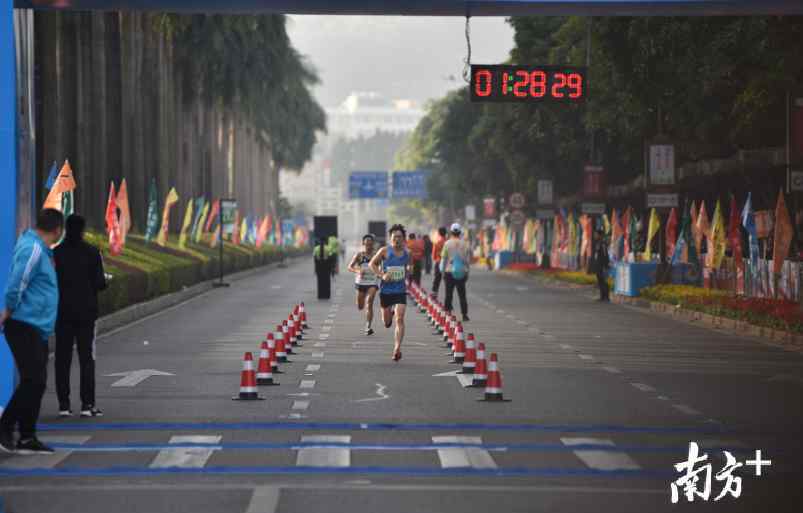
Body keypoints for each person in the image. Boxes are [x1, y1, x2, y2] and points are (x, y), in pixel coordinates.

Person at [1, 208, 64, 454]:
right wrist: (8, 309)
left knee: (37, 382)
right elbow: (18, 282)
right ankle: (5, 426)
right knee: (32, 379)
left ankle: (27, 436)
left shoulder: (40, 249)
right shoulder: (34, 249)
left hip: (35, 326)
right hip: (23, 323)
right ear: (58, 229)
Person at [54, 214, 108, 418]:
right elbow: (100, 283)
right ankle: (87, 404)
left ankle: (63, 405)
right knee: (87, 358)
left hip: (62, 313)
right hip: (86, 314)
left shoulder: (56, 253)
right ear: (83, 229)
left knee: (62, 359)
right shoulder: (92, 252)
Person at [369, 224, 409, 362]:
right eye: (394, 237)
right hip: (386, 291)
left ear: (403, 239)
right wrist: (382, 275)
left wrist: (408, 271)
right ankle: (389, 315)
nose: (397, 239)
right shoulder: (384, 251)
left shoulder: (407, 253)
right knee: (387, 323)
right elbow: (372, 264)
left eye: (399, 237)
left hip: (400, 290)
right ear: (390, 238)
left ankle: (397, 348)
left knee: (400, 319)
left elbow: (410, 267)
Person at [348, 234, 380, 335]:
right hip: (361, 282)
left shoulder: (377, 255)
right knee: (360, 306)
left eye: (370, 244)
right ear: (363, 244)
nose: (369, 247)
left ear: (373, 244)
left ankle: (368, 326)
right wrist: (358, 271)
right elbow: (350, 267)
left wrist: (380, 273)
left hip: (372, 282)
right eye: (367, 244)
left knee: (369, 302)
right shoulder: (359, 255)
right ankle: (367, 323)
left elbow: (383, 266)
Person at [441, 223, 471, 322]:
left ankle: (448, 313)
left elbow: (444, 258)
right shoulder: (465, 244)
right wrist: (467, 271)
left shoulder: (447, 243)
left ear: (451, 232)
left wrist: (442, 272)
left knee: (448, 293)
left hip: (449, 271)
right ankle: (465, 314)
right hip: (461, 272)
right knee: (462, 294)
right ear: (460, 232)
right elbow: (467, 260)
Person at [593, 230, 611, 302]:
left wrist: (606, 265)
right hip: (598, 265)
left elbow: (605, 255)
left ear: (600, 235)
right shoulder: (597, 243)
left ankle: (606, 297)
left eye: (596, 234)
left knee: (604, 280)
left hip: (602, 265)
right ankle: (602, 296)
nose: (595, 236)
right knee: (600, 281)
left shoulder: (603, 244)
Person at [431, 227, 447, 298]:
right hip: (447, 263)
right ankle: (448, 294)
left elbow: (433, 255)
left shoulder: (437, 242)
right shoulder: (448, 242)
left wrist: (437, 258)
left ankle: (435, 292)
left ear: (439, 233)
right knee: (447, 280)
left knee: (437, 278)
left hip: (439, 261)